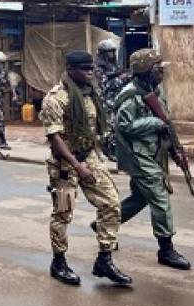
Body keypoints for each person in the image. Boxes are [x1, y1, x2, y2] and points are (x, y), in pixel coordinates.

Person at [42, 51, 131, 287]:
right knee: (63, 213)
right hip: (65, 163)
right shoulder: (56, 98)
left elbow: (93, 128)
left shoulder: (90, 93)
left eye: (91, 68)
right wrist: (77, 167)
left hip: (89, 155)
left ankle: (105, 258)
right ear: (70, 70)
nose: (89, 72)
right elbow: (55, 138)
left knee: (111, 203)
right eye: (84, 68)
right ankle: (58, 262)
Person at [112, 49, 191, 270]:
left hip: (153, 152)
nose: (162, 72)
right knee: (159, 197)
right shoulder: (130, 95)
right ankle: (166, 249)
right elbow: (125, 126)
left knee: (140, 198)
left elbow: (165, 121)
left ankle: (105, 224)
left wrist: (175, 150)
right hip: (138, 155)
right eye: (158, 68)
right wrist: (154, 123)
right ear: (146, 70)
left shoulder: (156, 90)